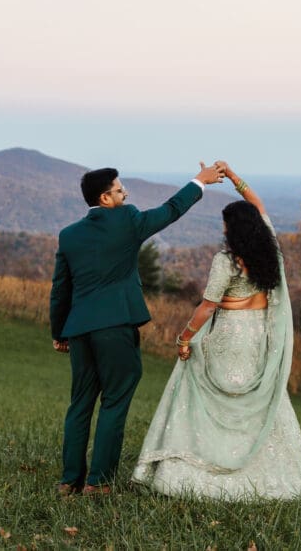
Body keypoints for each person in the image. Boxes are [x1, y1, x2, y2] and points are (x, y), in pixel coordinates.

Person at [132, 162, 301, 500]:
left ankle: (199, 471)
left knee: (207, 393)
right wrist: (233, 177)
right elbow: (258, 205)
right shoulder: (270, 248)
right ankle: (269, 474)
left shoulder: (227, 261)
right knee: (256, 398)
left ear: (233, 230)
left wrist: (185, 337)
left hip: (230, 333)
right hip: (258, 333)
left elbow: (208, 306)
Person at [51, 162, 225, 496]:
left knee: (80, 404)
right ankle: (98, 483)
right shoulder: (127, 220)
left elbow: (61, 289)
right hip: (115, 327)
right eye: (119, 189)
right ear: (105, 198)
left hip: (79, 330)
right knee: (115, 400)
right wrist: (200, 182)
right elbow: (170, 210)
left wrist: (59, 332)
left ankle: (69, 480)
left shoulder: (69, 235)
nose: (125, 192)